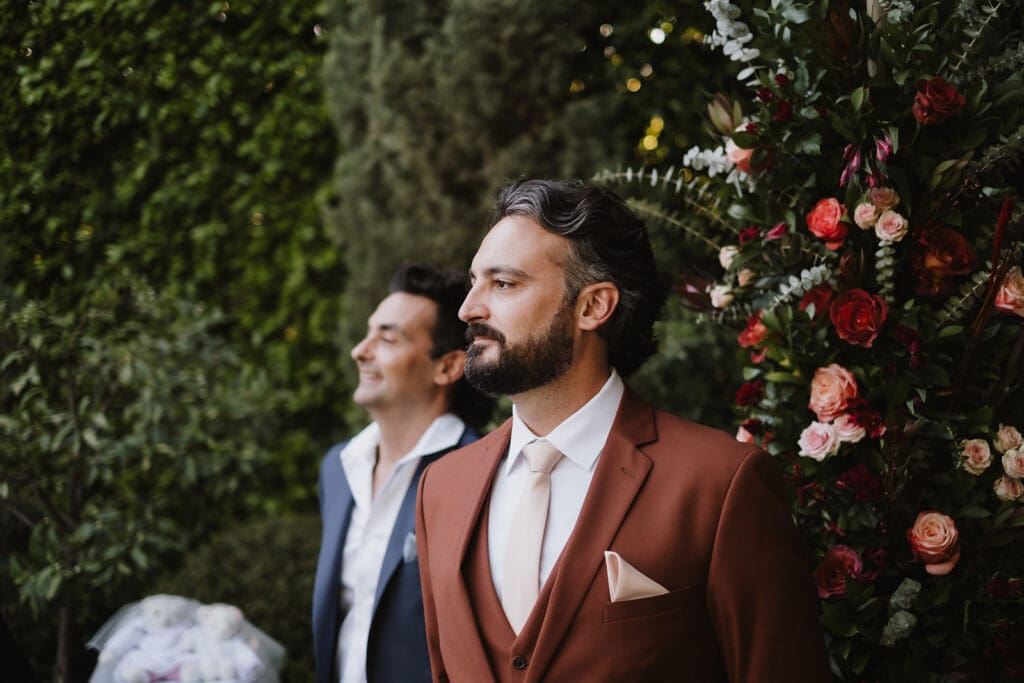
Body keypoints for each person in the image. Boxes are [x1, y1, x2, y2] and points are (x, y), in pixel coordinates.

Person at [415, 179, 831, 681]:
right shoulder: (440, 489)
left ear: (594, 307)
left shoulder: (721, 485)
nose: (468, 309)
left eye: (503, 284)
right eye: (474, 281)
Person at [313, 263, 493, 683]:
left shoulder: (483, 473)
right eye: (369, 331)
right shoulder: (337, 468)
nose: (361, 349)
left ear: (447, 367)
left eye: (388, 337)